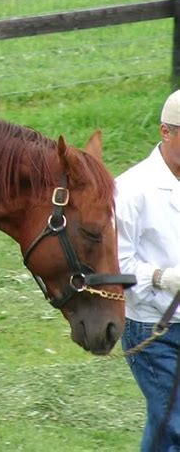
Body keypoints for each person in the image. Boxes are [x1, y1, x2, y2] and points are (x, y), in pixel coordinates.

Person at [116, 89, 180, 451]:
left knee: (166, 425)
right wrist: (162, 278)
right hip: (154, 327)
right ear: (165, 131)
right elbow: (117, 265)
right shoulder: (131, 190)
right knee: (174, 420)